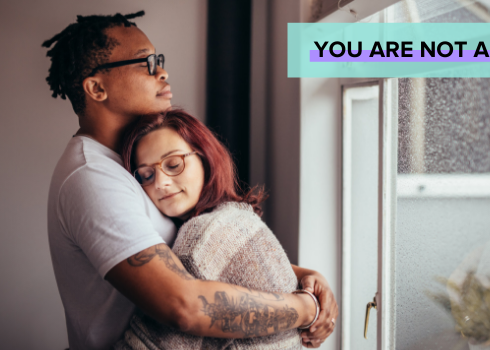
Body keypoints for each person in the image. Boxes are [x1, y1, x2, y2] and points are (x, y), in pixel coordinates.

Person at [44, 11, 337, 350]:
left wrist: (301, 277)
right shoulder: (93, 178)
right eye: (145, 63)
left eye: (159, 60)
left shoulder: (127, 162)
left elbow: (193, 258)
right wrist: (304, 308)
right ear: (96, 88)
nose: (162, 71)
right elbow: (183, 306)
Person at [114, 109, 313, 349]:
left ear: (205, 157)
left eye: (174, 164)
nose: (161, 183)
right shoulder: (238, 217)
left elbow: (148, 345)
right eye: (146, 175)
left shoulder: (200, 236)